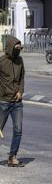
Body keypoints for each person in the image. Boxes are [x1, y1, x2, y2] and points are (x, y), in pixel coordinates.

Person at [0, 36, 25, 167]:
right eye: (16, 48)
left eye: (19, 48)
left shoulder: (20, 61)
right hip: (3, 101)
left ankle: (12, 157)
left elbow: (22, 78)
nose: (18, 51)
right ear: (10, 47)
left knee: (18, 130)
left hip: (17, 102)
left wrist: (20, 91)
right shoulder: (2, 61)